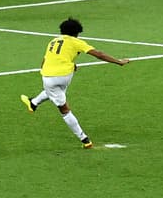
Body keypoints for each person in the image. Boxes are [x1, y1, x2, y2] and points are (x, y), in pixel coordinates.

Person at [20, 18, 129, 149]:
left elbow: (45, 60)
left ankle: (85, 140)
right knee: (55, 92)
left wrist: (45, 71)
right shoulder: (77, 42)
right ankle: (33, 103)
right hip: (66, 75)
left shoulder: (53, 41)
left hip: (49, 76)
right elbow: (98, 54)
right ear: (77, 32)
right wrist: (118, 61)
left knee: (64, 109)